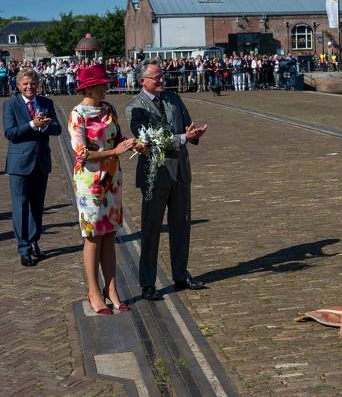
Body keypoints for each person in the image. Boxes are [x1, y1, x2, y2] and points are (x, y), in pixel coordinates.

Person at [125, 59, 208, 301]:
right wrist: (184, 137)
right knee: (151, 230)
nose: (162, 80)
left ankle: (181, 275)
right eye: (156, 77)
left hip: (180, 171)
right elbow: (153, 140)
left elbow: (186, 126)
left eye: (162, 76)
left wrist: (194, 135)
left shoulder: (174, 99)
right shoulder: (134, 108)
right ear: (143, 81)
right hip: (155, 175)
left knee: (181, 225)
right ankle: (148, 282)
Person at [69, 63, 138, 314]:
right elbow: (80, 153)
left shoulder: (108, 108)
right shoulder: (78, 114)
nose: (107, 86)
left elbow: (117, 137)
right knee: (93, 236)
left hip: (112, 179)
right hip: (90, 181)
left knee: (110, 234)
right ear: (91, 87)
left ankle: (112, 289)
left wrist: (131, 143)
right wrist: (113, 151)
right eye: (103, 83)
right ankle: (93, 291)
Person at [3, 68, 62, 266]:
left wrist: (45, 126)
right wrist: (32, 124)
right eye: (25, 84)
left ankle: (35, 242)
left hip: (41, 161)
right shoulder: (10, 104)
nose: (30, 87)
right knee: (20, 207)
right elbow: (10, 133)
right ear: (18, 85)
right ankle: (24, 248)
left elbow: (57, 128)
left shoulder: (46, 102)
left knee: (37, 206)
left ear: (38, 84)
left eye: (33, 83)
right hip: (19, 163)